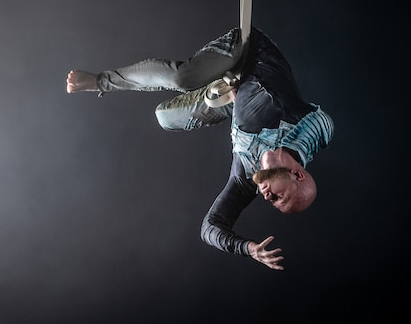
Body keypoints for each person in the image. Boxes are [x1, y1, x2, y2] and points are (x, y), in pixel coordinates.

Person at [66, 26, 334, 270]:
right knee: (183, 78)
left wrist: (247, 248)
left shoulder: (245, 179)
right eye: (279, 198)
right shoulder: (300, 126)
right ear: (297, 174)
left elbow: (210, 228)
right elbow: (324, 124)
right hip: (250, 51)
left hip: (235, 99)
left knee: (164, 118)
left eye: (273, 203)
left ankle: (225, 93)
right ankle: (101, 81)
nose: (268, 199)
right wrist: (293, 150)